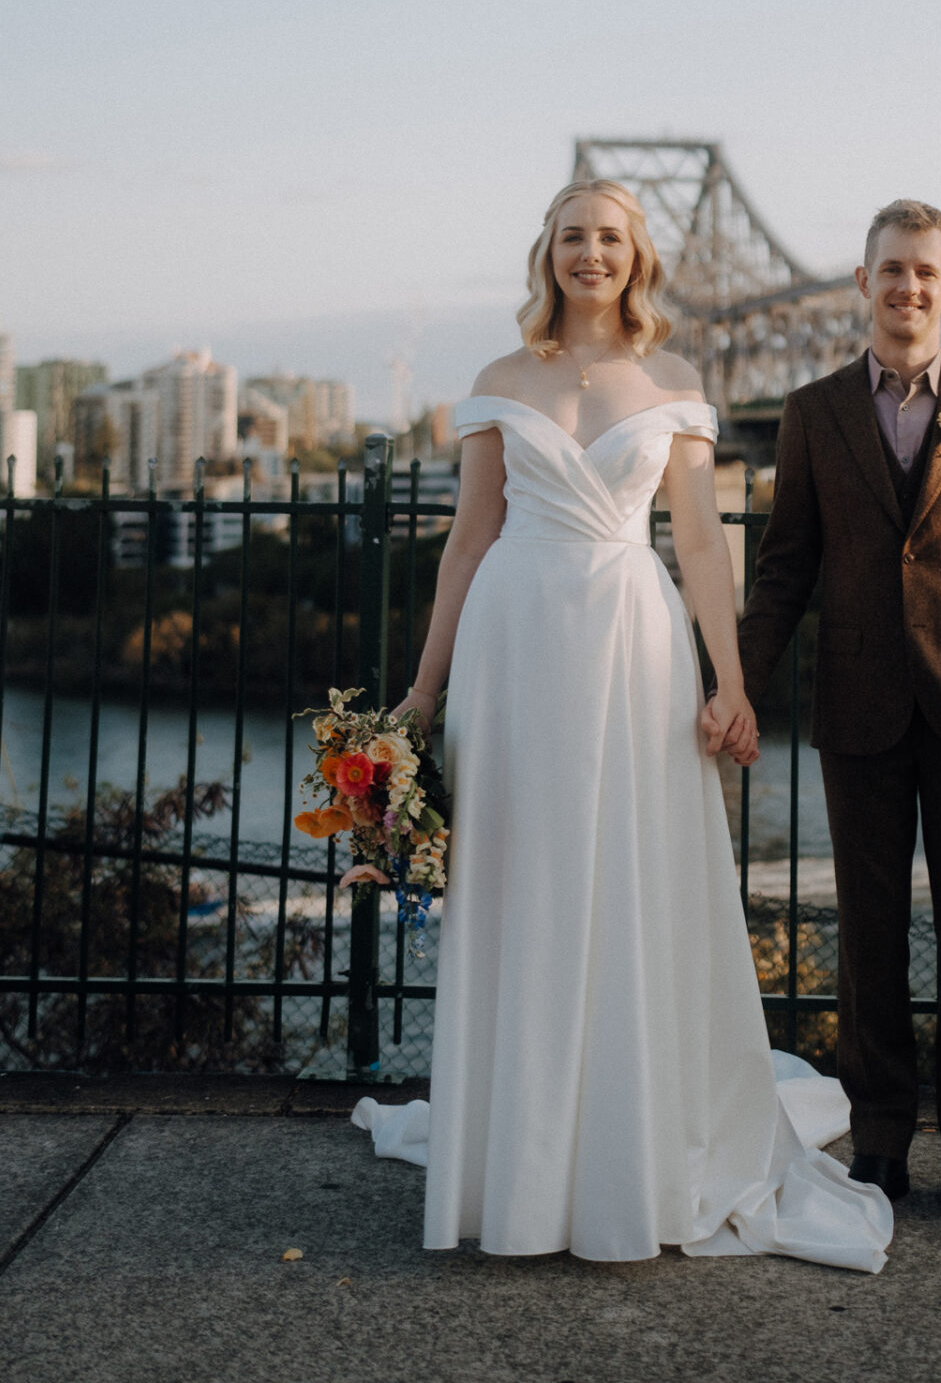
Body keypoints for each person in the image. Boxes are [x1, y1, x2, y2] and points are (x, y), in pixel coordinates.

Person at [351, 179, 891, 1272]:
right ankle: (519, 1154)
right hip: (514, 648)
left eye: (609, 238)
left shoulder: (675, 379)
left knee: (628, 877)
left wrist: (727, 682)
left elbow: (697, 541)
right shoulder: (501, 380)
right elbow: (466, 543)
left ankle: (622, 1149)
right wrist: (422, 690)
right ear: (544, 253)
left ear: (636, 257)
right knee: (523, 880)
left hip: (633, 642)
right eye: (570, 238)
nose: (589, 255)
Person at [735, 198, 941, 1241]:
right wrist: (737, 685)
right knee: (868, 938)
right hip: (860, 706)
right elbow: (784, 569)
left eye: (926, 272)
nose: (907, 288)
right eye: (889, 270)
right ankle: (880, 1137)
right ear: (862, 283)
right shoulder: (811, 410)